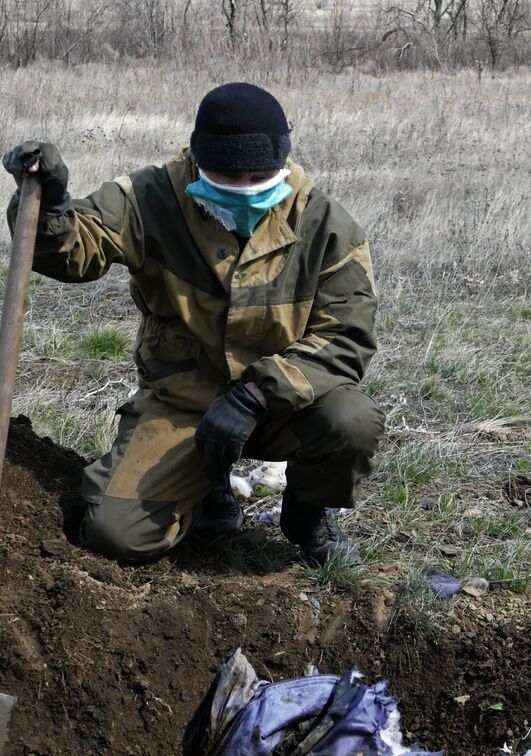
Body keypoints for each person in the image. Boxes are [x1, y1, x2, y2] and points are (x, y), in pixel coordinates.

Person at [4, 82, 384, 566]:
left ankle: (308, 517)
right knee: (116, 536)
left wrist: (257, 395)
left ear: (282, 163)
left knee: (350, 421)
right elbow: (76, 253)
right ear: (199, 161)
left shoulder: (327, 224)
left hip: (284, 405)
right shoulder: (149, 197)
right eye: (227, 176)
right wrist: (52, 207)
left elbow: (345, 338)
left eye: (260, 175)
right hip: (182, 403)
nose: (246, 188)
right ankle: (208, 488)